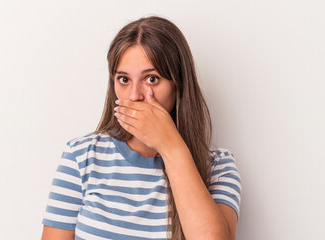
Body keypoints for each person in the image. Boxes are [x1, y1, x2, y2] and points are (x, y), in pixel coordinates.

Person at [41, 15, 241, 240]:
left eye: (152, 79)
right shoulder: (81, 156)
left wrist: (171, 146)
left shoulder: (218, 168)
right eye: (124, 80)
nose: (135, 95)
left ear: (179, 85)